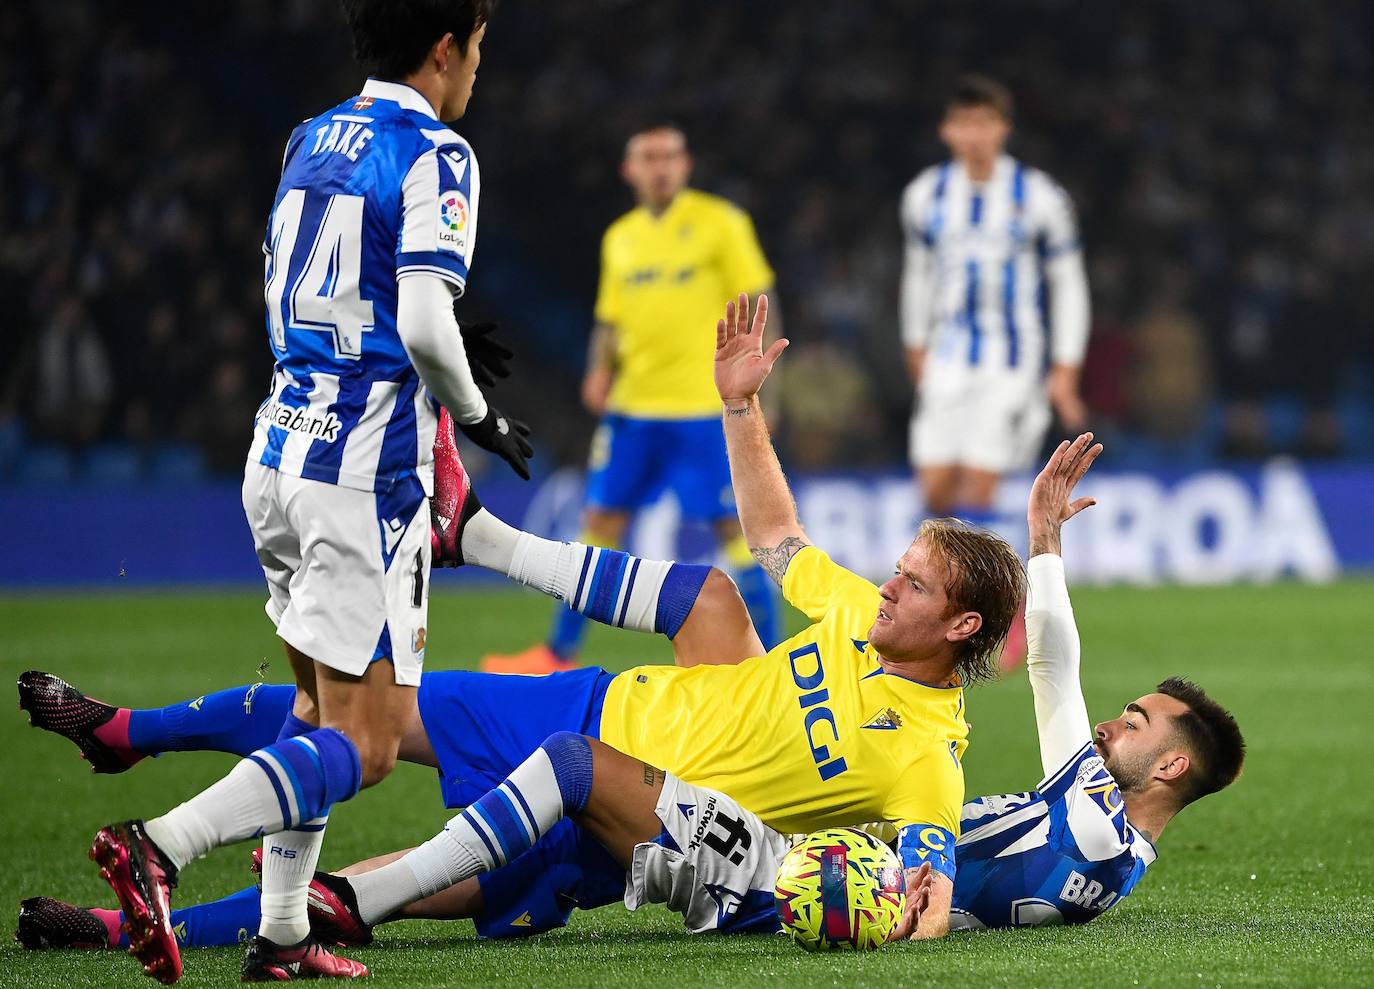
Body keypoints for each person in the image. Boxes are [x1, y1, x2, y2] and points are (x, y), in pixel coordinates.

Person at [18, 436, 1245, 947]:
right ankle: (130, 732)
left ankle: (133, 928)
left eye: (911, 580)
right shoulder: (843, 618)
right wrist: (741, 403)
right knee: (339, 717)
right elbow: (774, 534)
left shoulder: (937, 754)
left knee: (391, 888)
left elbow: (933, 869)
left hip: (639, 812)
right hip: (600, 706)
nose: (886, 582)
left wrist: (887, 906)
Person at [82, 2, 537, 982]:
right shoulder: (436, 151)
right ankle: (158, 845)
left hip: (281, 448)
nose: (478, 69)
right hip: (364, 479)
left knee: (312, 705)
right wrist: (478, 417)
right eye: (480, 46)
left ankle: (281, 930)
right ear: (446, 45)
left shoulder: (311, 135)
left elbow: (293, 279)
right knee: (366, 743)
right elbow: (421, 320)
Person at [483, 124, 781, 675]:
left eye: (670, 155)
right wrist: (600, 368)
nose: (661, 166)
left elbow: (761, 302)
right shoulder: (620, 237)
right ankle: (556, 653)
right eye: (649, 157)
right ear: (630, 170)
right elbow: (609, 318)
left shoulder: (722, 223)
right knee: (600, 521)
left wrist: (768, 389)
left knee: (735, 530)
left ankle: (772, 662)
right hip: (632, 411)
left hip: (700, 411)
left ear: (685, 164)